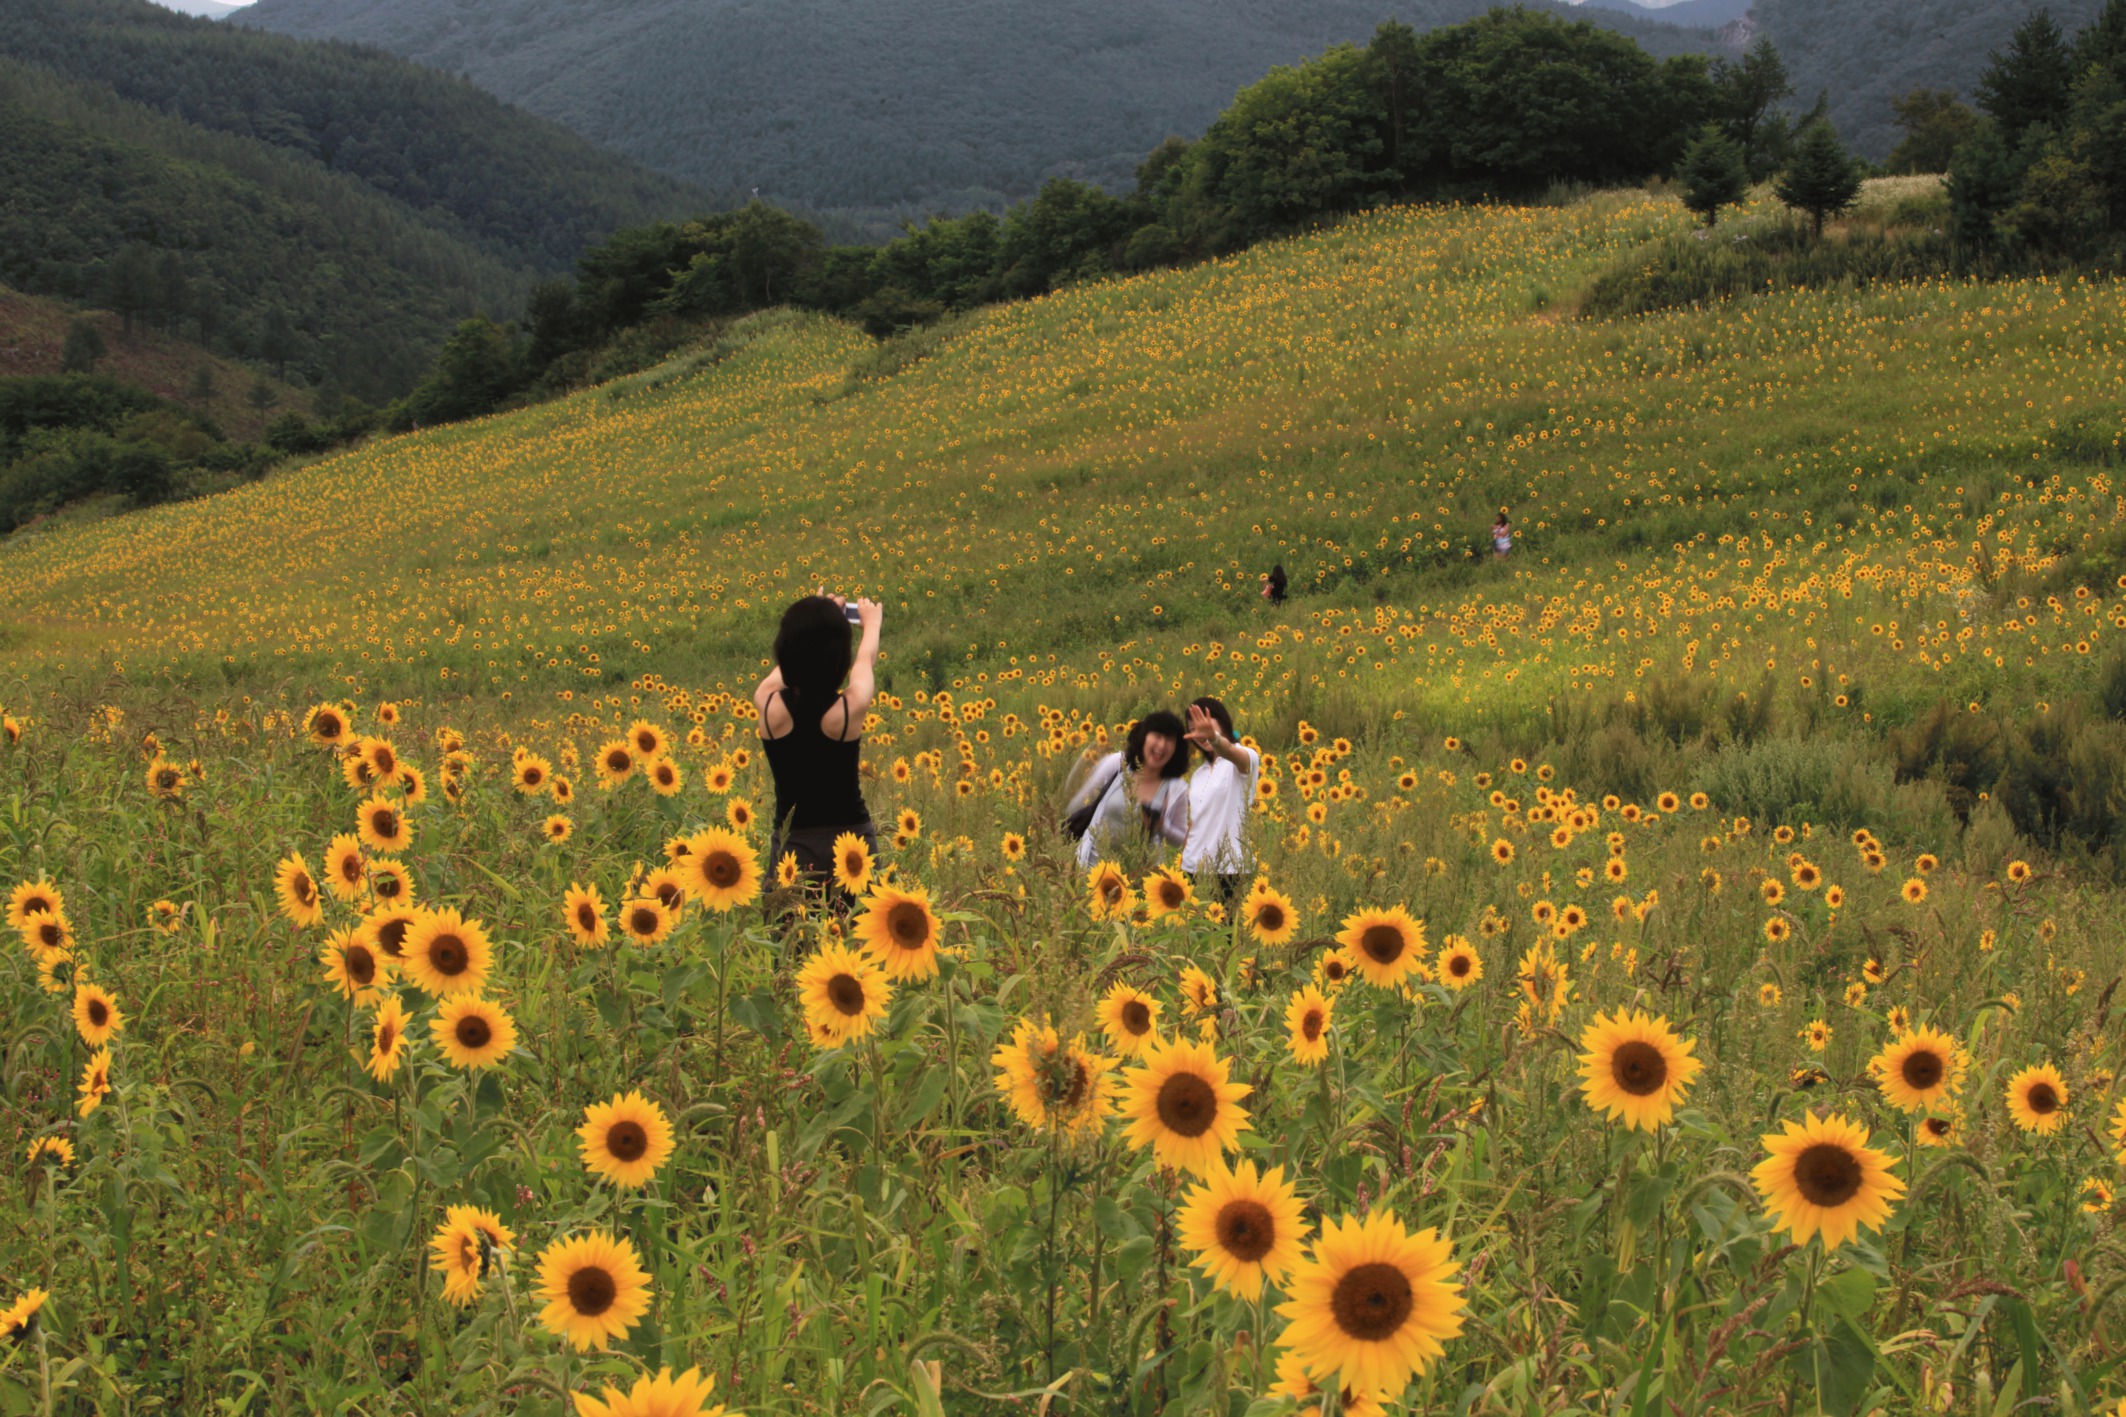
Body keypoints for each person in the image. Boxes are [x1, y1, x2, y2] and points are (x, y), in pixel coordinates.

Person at [754, 592, 881, 897]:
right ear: (839, 658)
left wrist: (812, 625)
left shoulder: (767, 705)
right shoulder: (847, 712)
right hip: (852, 849)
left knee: (787, 940)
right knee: (857, 937)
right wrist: (872, 624)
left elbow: (787, 667)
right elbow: (865, 662)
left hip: (791, 850)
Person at [1070, 711, 1191, 868]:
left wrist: (1161, 826)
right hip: (1093, 871)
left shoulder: (1177, 787)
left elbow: (1181, 838)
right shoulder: (1118, 763)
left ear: (1177, 748)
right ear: (1144, 737)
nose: (1162, 745)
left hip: (1141, 876)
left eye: (1170, 739)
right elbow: (1082, 797)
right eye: (1157, 735)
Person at [1181, 697, 1260, 901]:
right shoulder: (1199, 773)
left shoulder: (1243, 759)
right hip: (1192, 868)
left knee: (1225, 931)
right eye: (1194, 729)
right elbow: (1196, 821)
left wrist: (1214, 738)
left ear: (1221, 722)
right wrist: (1184, 859)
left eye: (1204, 725)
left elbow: (1230, 751)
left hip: (1229, 870)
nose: (1200, 734)